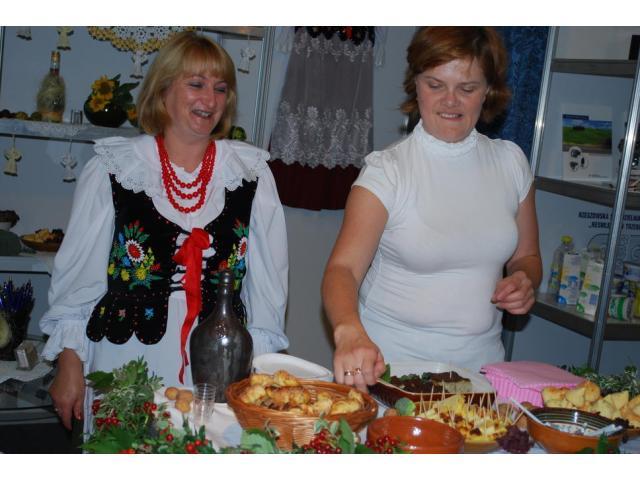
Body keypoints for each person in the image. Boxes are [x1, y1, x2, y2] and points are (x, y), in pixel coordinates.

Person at [40, 32, 289, 431]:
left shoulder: (251, 174)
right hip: (124, 359)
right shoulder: (114, 167)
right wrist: (69, 365)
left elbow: (267, 295)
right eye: (196, 84)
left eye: (220, 88)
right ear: (163, 89)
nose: (210, 100)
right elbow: (78, 282)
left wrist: (258, 373)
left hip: (218, 366)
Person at [322, 27, 542, 391]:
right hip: (389, 373)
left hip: (481, 376)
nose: (450, 101)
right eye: (435, 85)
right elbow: (342, 269)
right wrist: (348, 331)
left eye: (467, 88)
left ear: (488, 90)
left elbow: (527, 257)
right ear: (416, 85)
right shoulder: (387, 170)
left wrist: (524, 280)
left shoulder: (511, 163)